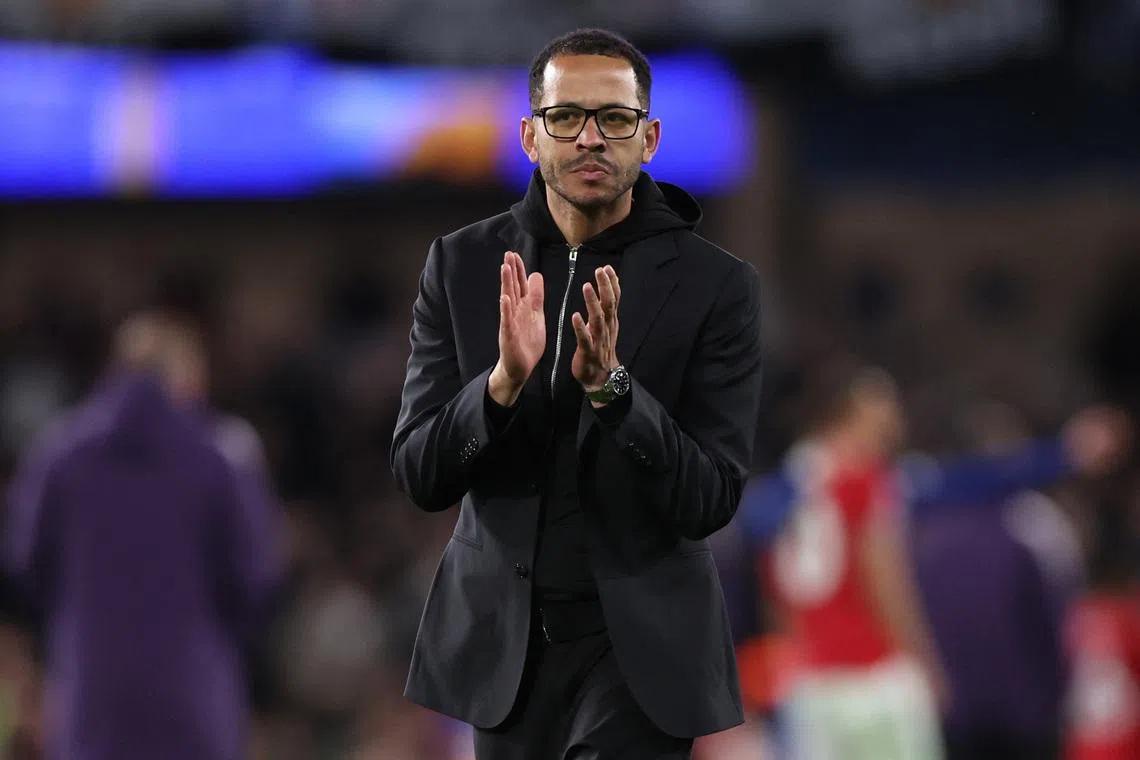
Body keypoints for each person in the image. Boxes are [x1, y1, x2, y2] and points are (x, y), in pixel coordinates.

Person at [390, 27, 764, 759]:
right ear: (530, 136)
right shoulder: (462, 265)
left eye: (614, 119)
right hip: (506, 653)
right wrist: (501, 385)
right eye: (566, 117)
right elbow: (419, 474)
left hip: (643, 655)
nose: (590, 138)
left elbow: (710, 497)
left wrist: (615, 392)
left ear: (649, 139)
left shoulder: (717, 287)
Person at [3, 310, 283, 760]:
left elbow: (26, 563)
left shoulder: (59, 453)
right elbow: (253, 579)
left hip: (91, 698)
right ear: (188, 379)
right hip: (195, 698)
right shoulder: (222, 455)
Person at [763, 362, 948, 760]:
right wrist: (924, 660)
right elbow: (885, 580)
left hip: (809, 684)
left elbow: (777, 593)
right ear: (851, 416)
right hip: (873, 680)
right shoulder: (866, 481)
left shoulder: (788, 484)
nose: (895, 425)